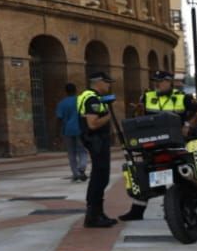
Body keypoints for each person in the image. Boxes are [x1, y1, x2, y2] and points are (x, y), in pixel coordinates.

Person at [120, 70, 186, 221]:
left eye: (160, 81)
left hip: (176, 144)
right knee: (145, 176)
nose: (156, 84)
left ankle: (176, 210)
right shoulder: (147, 96)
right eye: (155, 81)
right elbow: (139, 118)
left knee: (179, 175)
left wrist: (188, 124)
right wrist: (138, 112)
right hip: (153, 143)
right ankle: (137, 210)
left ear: (169, 81)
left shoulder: (183, 97)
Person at [77, 71, 117, 228]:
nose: (108, 85)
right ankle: (93, 216)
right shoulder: (92, 99)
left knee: (100, 177)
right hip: (96, 141)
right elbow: (92, 123)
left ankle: (97, 213)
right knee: (100, 177)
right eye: (107, 82)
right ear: (99, 82)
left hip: (96, 141)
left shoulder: (91, 97)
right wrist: (109, 115)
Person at [55, 83, 87, 181]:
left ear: (66, 91)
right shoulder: (81, 101)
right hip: (80, 129)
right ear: (76, 90)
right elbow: (85, 115)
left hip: (67, 130)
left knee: (71, 153)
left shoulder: (62, 103)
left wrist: (57, 133)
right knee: (82, 151)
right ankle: (82, 167)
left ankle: (75, 174)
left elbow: (59, 119)